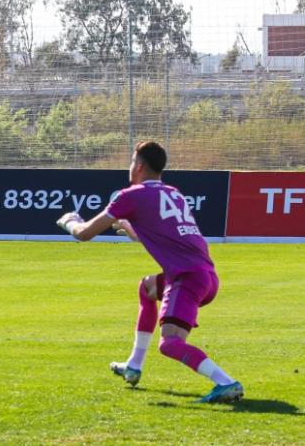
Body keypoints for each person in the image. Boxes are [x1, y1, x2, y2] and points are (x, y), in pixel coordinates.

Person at [56, 141, 243, 404]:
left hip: (186, 278)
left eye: (132, 162)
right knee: (147, 288)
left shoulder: (130, 195)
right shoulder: (173, 192)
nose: (130, 168)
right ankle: (133, 365)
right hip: (205, 274)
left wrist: (69, 222)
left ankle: (226, 382)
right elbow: (166, 235)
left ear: (139, 166)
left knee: (170, 344)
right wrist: (131, 228)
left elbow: (85, 233)